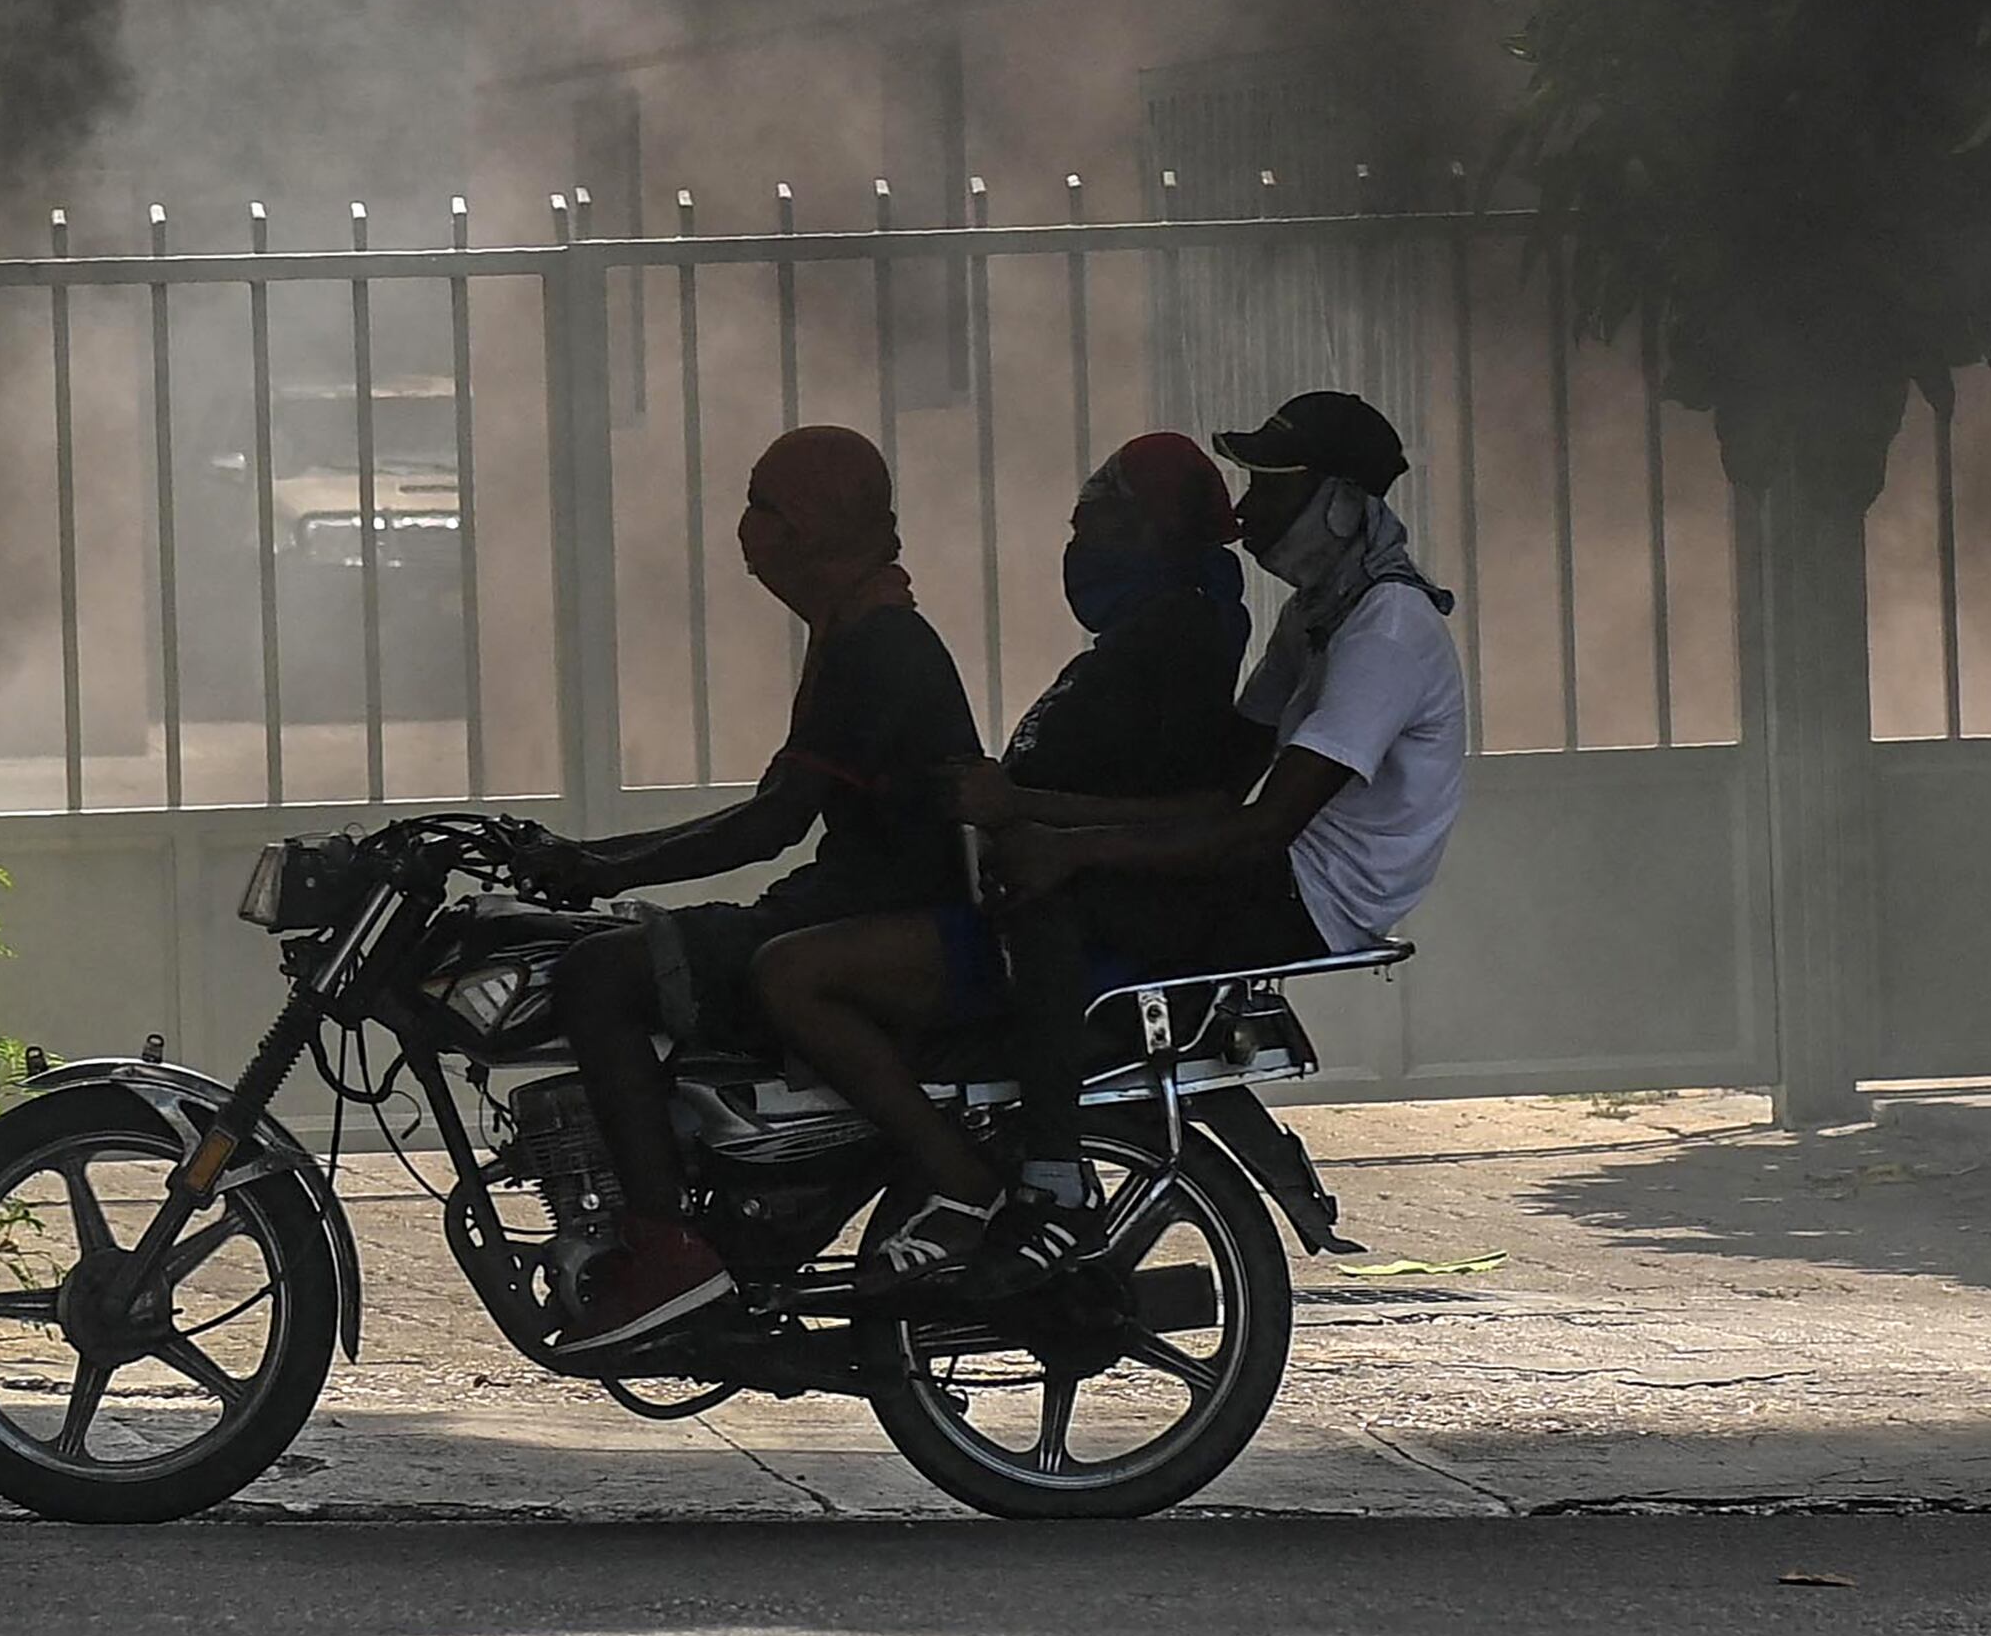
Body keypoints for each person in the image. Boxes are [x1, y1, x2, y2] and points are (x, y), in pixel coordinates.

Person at [755, 387, 1463, 1295]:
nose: (1245, 513)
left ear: (1336, 501)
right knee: (1034, 874)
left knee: (1053, 899)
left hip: (1306, 896)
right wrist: (1031, 808)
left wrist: (1067, 844)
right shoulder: (1318, 617)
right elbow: (1211, 790)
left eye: (1270, 487)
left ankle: (1052, 1182)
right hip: (1273, 866)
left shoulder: (1388, 629)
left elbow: (1258, 825)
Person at [530, 423, 986, 1359]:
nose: (747, 529)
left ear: (816, 524)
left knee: (597, 974)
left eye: (765, 506)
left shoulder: (878, 645)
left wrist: (601, 866)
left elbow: (772, 818)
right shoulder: (856, 627)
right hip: (848, 898)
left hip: (872, 921)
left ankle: (665, 1248)